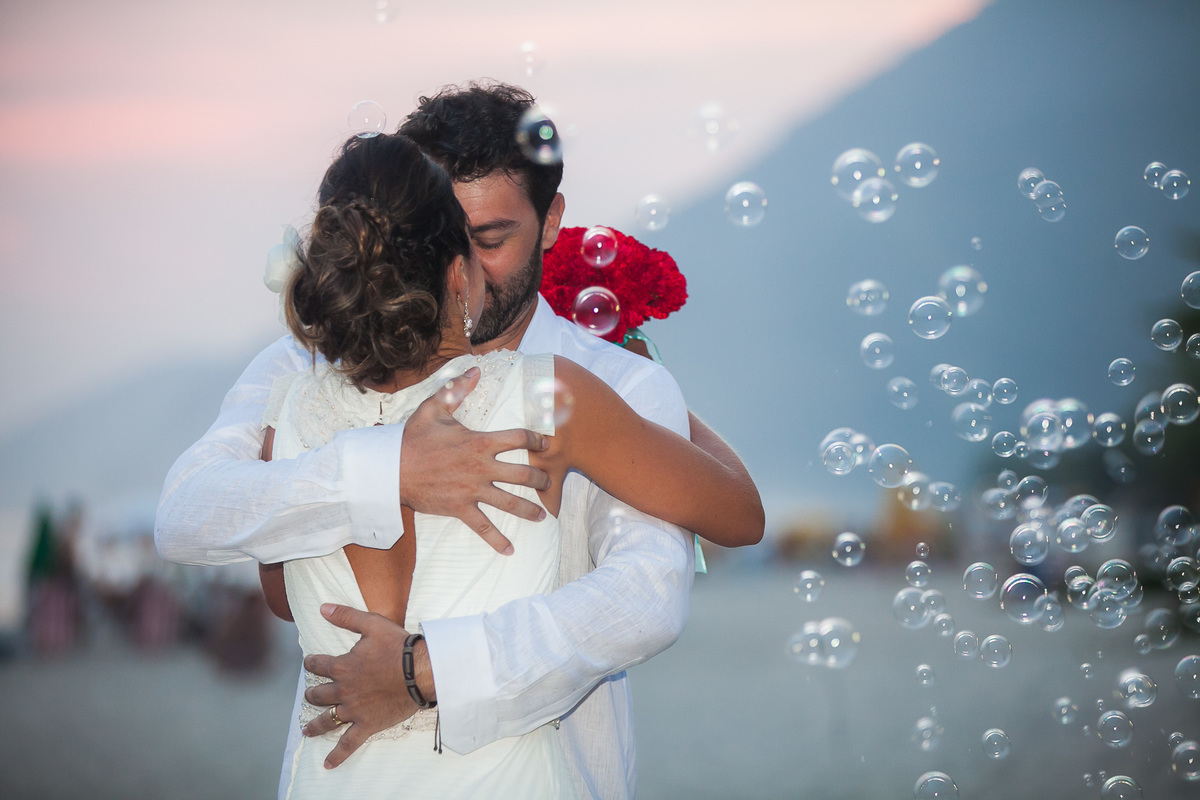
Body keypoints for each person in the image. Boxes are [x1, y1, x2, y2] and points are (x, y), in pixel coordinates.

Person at [155, 81, 762, 800]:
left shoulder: (613, 381)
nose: (472, 260)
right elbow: (190, 514)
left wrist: (425, 669)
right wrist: (390, 470)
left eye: (493, 238)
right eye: (451, 235)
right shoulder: (301, 371)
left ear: (551, 221)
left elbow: (645, 594)